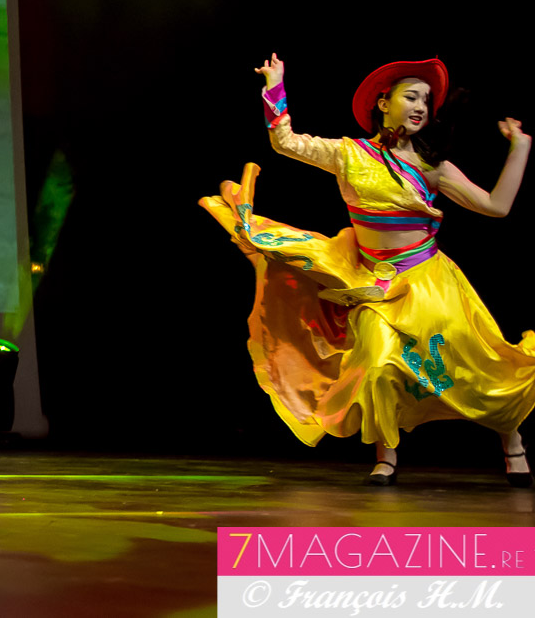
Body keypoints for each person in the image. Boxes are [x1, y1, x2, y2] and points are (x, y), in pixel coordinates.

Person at [199, 54, 535, 486]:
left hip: (431, 283)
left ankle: (512, 440)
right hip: (374, 285)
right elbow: (286, 143)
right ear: (383, 103)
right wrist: (275, 86)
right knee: (376, 363)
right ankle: (386, 455)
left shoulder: (433, 169)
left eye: (426, 102)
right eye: (410, 97)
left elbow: (496, 206)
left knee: (475, 367)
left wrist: (520, 148)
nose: (420, 107)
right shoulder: (349, 154)